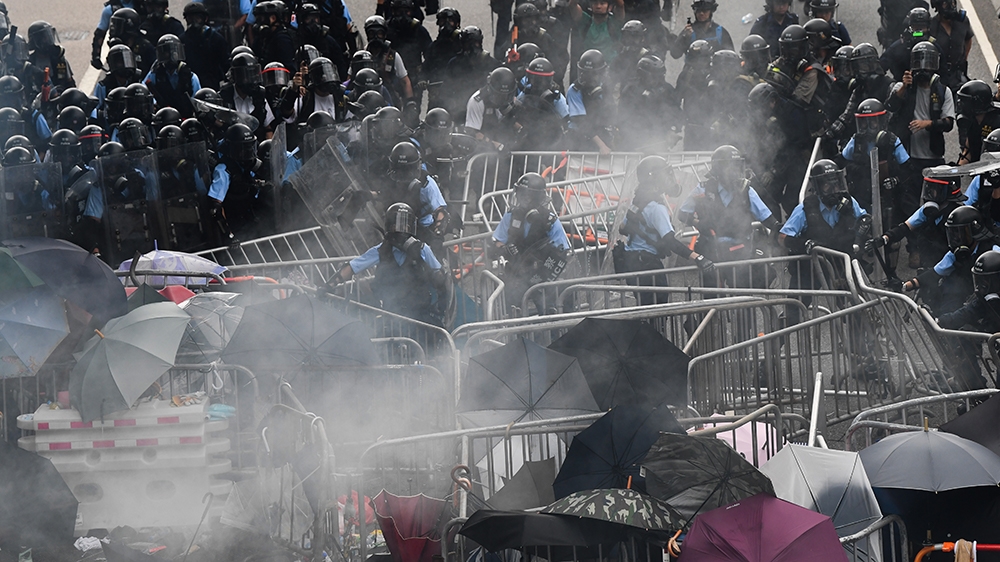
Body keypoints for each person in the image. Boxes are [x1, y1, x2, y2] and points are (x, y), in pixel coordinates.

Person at [613, 155, 714, 305]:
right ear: (654, 178)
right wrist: (698, 258)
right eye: (666, 174)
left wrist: (643, 231)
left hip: (633, 262)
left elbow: (622, 228)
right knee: (657, 311)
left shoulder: (639, 201)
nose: (669, 179)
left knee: (645, 310)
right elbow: (670, 241)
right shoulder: (656, 208)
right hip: (648, 266)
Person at [330, 202, 451, 326]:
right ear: (389, 226)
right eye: (396, 225)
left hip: (420, 315)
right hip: (392, 315)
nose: (401, 230)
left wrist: (441, 306)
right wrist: (328, 285)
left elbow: (440, 276)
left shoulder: (421, 249)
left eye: (405, 225)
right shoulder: (381, 250)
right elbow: (352, 267)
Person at [678, 145, 780, 289]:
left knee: (742, 299)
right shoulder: (703, 189)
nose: (735, 172)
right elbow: (682, 214)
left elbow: (769, 219)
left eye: (737, 166)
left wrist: (782, 233)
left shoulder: (746, 190)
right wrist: (699, 223)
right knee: (711, 296)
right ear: (719, 169)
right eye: (730, 167)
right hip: (710, 250)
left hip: (741, 251)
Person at [779, 158, 866, 324]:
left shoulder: (848, 202)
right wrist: (803, 244)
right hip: (811, 269)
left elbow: (865, 219)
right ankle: (775, 345)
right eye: (828, 185)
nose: (834, 190)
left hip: (842, 265)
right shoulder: (805, 208)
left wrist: (859, 240)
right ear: (818, 187)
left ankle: (860, 348)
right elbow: (782, 237)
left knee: (858, 308)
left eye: (837, 184)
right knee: (793, 312)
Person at [885, 41, 955, 234]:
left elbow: (949, 123)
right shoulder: (902, 86)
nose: (923, 68)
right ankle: (912, 247)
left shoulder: (943, 91)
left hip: (933, 157)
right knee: (907, 201)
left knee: (936, 203)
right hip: (908, 156)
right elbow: (890, 106)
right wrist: (903, 88)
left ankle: (932, 243)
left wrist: (927, 124)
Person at [491, 172, 571, 314]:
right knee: (508, 306)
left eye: (526, 195)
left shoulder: (549, 221)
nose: (521, 199)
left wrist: (541, 274)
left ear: (536, 198)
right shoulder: (511, 215)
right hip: (516, 272)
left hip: (542, 274)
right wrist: (505, 249)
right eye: (520, 194)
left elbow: (563, 252)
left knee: (548, 308)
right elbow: (497, 242)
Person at [871, 167, 964, 273]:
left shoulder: (958, 216)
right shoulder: (928, 210)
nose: (929, 193)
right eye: (928, 188)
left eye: (934, 189)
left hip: (948, 271)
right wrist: (885, 238)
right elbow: (906, 226)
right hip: (928, 266)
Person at [935, 249, 1000, 390]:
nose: (982, 285)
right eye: (980, 280)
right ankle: (976, 390)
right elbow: (967, 312)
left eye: (986, 281)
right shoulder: (984, 298)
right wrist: (941, 321)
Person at [384, 140, 449, 254]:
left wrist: (437, 235)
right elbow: (383, 195)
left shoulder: (426, 182)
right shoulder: (392, 179)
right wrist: (366, 195)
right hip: (398, 231)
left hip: (423, 230)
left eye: (405, 172)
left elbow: (441, 212)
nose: (402, 176)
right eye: (399, 171)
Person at [566, 49, 615, 152]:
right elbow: (581, 122)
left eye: (594, 74)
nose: (589, 78)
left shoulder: (605, 87)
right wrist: (601, 145)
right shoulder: (575, 90)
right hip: (579, 138)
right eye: (585, 74)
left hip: (601, 132)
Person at [143, 34, 201, 118]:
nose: (170, 57)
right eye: (166, 53)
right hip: (162, 119)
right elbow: (144, 89)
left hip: (186, 119)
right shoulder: (155, 74)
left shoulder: (190, 76)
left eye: (173, 53)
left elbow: (197, 101)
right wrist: (154, 103)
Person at [464, 66, 518, 150]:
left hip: (506, 142)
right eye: (499, 96)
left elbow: (511, 120)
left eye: (506, 96)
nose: (503, 99)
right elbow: (473, 132)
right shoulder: (477, 101)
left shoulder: (509, 99)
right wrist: (495, 145)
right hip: (483, 149)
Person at [180, 2, 230, 91]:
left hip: (212, 86)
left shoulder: (216, 39)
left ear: (205, 19)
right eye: (190, 18)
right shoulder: (182, 40)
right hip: (189, 87)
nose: (193, 22)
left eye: (197, 18)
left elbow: (226, 64)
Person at [364, 15, 414, 102]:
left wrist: (410, 102)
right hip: (365, 99)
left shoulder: (393, 56)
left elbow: (405, 81)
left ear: (384, 35)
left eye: (379, 33)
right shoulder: (361, 55)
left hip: (389, 101)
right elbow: (350, 79)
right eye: (372, 33)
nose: (376, 37)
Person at [879, 7, 938, 81]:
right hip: (903, 88)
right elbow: (880, 68)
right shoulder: (897, 47)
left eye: (922, 27)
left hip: (928, 89)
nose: (919, 32)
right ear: (909, 28)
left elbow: (943, 74)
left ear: (928, 28)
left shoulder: (935, 47)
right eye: (916, 28)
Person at [569, 0, 625, 70]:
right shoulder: (585, 22)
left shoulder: (614, 22)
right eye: (595, 3)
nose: (598, 6)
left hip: (610, 69)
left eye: (602, 3)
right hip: (589, 68)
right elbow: (572, 5)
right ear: (591, 6)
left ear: (610, 7)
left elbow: (620, 5)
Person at [928, 0, 972, 89]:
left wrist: (963, 58)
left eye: (952, 3)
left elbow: (968, 39)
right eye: (945, 4)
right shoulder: (931, 26)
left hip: (957, 74)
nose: (951, 6)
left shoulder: (963, 22)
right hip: (939, 75)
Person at [957, 80, 1000, 165]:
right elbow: (967, 152)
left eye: (965, 101)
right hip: (977, 169)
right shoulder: (973, 122)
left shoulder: (997, 122)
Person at [27, 21, 74, 93]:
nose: (48, 40)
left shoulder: (59, 60)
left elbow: (70, 83)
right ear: (35, 41)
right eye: (44, 38)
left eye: (49, 36)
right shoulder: (30, 63)